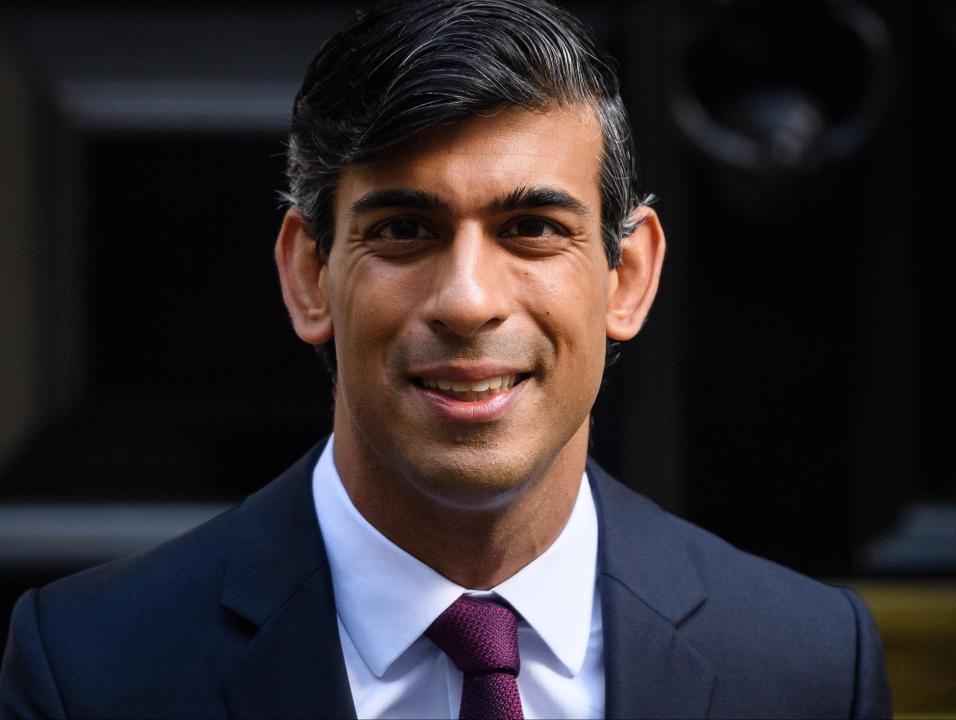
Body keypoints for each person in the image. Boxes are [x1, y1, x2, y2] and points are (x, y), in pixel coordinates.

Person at [0, 0, 891, 718]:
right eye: (404, 230)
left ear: (627, 276)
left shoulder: (807, 664)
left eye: (532, 229)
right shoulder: (92, 669)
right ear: (310, 275)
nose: (468, 300)